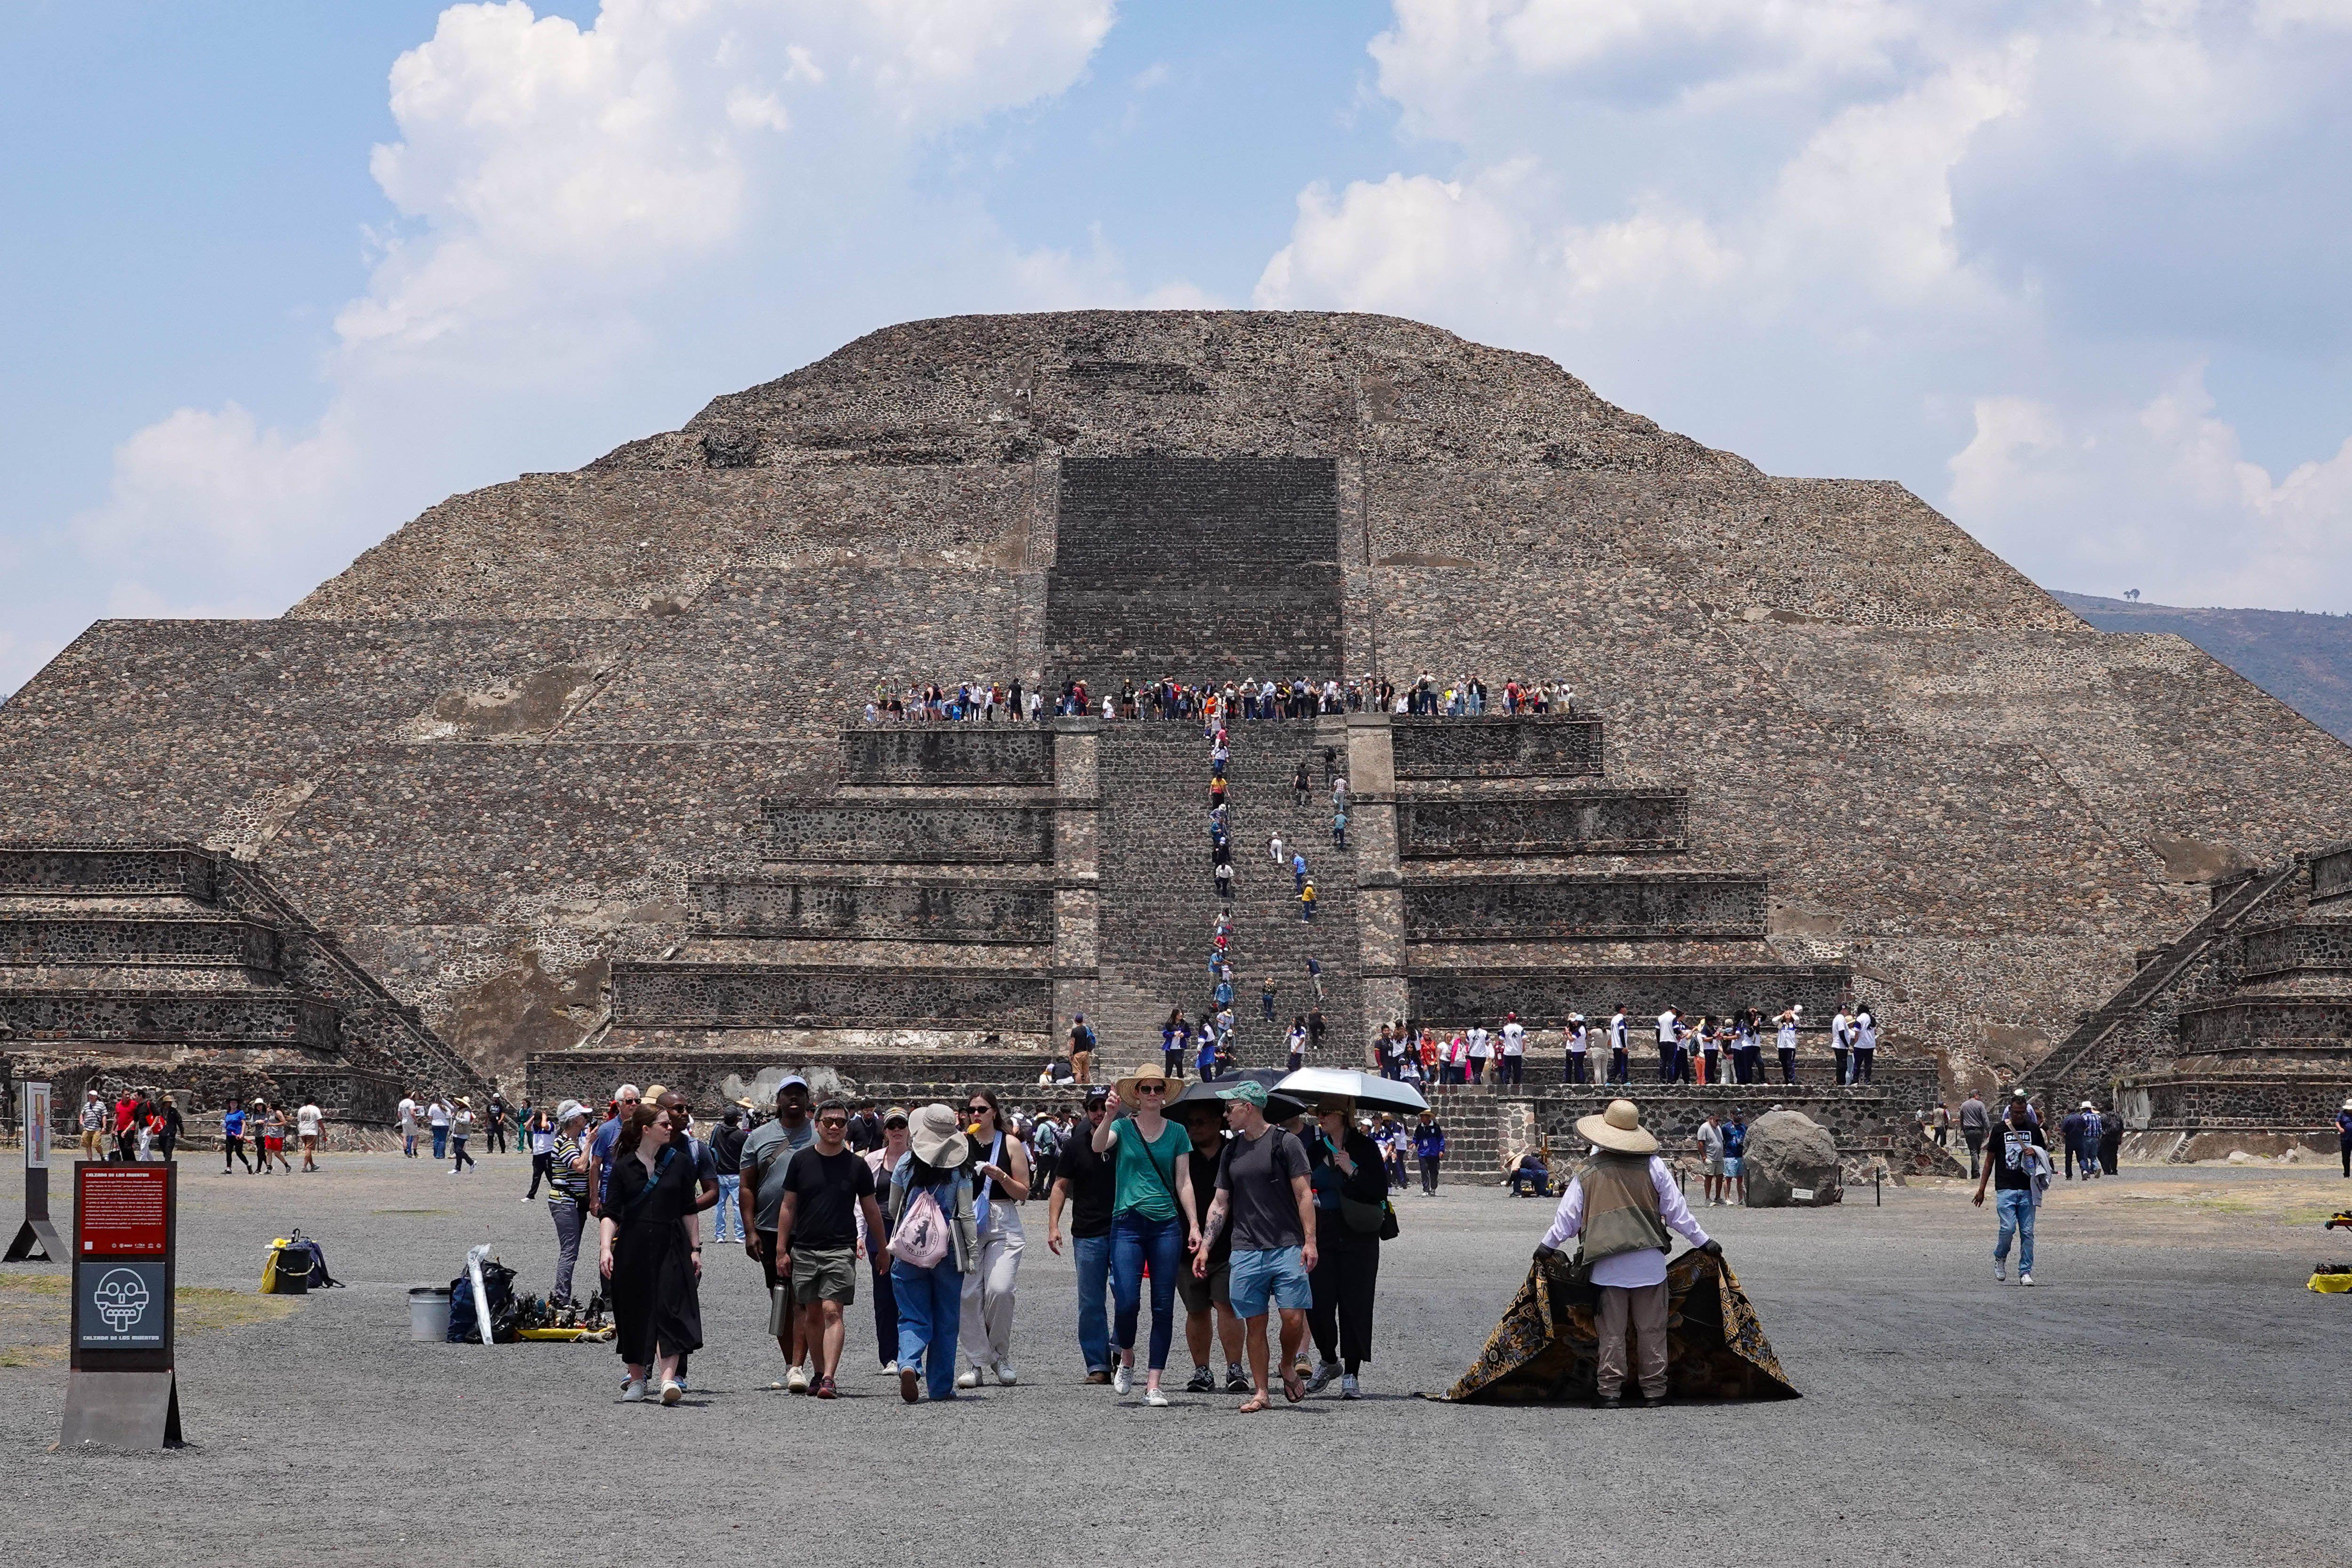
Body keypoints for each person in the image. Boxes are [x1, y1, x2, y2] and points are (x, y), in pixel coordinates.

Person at [1534, 1099, 1718, 1409]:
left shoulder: (1588, 1172)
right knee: (1653, 1331)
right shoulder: (1654, 1166)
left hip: (1607, 1267)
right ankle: (1654, 1392)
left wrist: (1547, 1246)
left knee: (1612, 1334)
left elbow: (1567, 1220)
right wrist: (1704, 1242)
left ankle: (1609, 1392)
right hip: (1649, 1264)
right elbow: (1677, 1213)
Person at [1198, 1081, 1317, 1411]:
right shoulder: (1231, 1151)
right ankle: (1262, 1392)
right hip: (1246, 1249)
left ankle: (1288, 1363)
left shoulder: (1286, 1143)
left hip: (1287, 1245)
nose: (1226, 1114)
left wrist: (1310, 1242)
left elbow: (1304, 1194)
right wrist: (1207, 1245)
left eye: (1230, 1108)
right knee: (1256, 1323)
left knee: (1293, 1318)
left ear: (1247, 1107)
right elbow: (1220, 1203)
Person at [1092, 1064, 1201, 1407]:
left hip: (1166, 1224)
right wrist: (1109, 1116)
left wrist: (1195, 1224)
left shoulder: (1178, 1132)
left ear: (1165, 1094)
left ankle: (1154, 1381)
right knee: (1126, 1300)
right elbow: (1098, 1147)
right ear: (1136, 1094)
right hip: (1127, 1223)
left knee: (1163, 1305)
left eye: (1158, 1089)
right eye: (1146, 1089)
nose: (1153, 1094)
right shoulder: (1123, 1127)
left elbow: (1184, 1181)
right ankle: (1126, 1355)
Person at [775, 1101, 892, 1401]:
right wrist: (781, 1249)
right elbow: (788, 1206)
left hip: (841, 1248)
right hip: (805, 1248)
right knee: (812, 1314)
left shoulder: (857, 1166)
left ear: (847, 1126)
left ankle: (829, 1376)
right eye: (828, 1122)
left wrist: (882, 1249)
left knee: (832, 1310)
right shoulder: (801, 1161)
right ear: (817, 1125)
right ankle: (816, 1372)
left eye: (840, 1122)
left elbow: (871, 1211)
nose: (834, 1127)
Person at [598, 1102, 704, 1404]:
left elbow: (689, 1210)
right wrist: (606, 1248)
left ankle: (668, 1380)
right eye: (664, 1124)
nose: (671, 1128)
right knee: (634, 1310)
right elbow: (610, 1213)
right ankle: (636, 1379)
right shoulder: (622, 1166)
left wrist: (695, 1249)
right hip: (632, 1246)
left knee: (671, 1308)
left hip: (672, 1244)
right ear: (646, 1130)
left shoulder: (681, 1163)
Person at [884, 1104, 980, 1402]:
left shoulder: (905, 1165)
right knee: (946, 1318)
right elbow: (966, 1215)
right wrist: (973, 1254)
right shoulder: (960, 1170)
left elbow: (892, 1208)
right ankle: (940, 1387)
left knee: (912, 1314)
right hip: (947, 1249)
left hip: (910, 1248)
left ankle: (909, 1363)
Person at [1302, 1095, 1387, 1398]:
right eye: (1318, 1112)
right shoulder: (1313, 1150)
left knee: (1356, 1302)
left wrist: (1352, 1169)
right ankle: (1328, 1358)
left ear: (1344, 1115)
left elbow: (1380, 1189)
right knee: (1318, 1302)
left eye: (1326, 1113)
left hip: (1358, 1234)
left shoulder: (1365, 1147)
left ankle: (1352, 1372)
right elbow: (1298, 1186)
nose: (1320, 1118)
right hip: (1322, 1231)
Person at [739, 1076, 817, 1391]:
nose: (794, 1099)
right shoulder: (759, 1137)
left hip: (813, 1229)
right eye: (788, 1094)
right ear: (779, 1100)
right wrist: (749, 1231)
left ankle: (799, 1366)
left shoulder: (820, 1132)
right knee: (781, 1297)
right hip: (770, 1229)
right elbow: (746, 1186)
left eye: (800, 1094)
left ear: (808, 1099)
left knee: (807, 1300)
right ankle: (792, 1364)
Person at [955, 1091, 1031, 1388]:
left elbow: (1024, 1192)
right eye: (971, 1109)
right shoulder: (960, 1144)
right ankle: (976, 1361)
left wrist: (1001, 1177)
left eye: (982, 1109)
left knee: (1000, 1290)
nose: (976, 1114)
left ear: (994, 1112)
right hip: (967, 1218)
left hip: (1003, 1218)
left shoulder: (1010, 1144)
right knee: (968, 1294)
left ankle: (999, 1355)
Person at [1171, 1094, 1245, 1394]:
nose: (1194, 1128)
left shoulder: (1235, 1154)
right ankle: (1202, 1370)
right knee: (1196, 1309)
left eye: (1201, 1122)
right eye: (1190, 1123)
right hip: (1185, 1247)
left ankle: (1234, 1368)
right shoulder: (1180, 1155)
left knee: (1227, 1306)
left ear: (1219, 1122)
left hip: (1229, 1245)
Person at [1047, 1087, 1118, 1383]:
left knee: (1126, 1296)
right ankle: (1098, 1364)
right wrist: (1053, 1225)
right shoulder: (1075, 1145)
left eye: (1103, 1106)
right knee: (1090, 1301)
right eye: (1093, 1108)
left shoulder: (1126, 1138)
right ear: (1086, 1110)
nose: (1099, 1112)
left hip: (1124, 1229)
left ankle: (1119, 1347)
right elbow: (1061, 1184)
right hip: (1088, 1232)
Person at [1974, 1093, 2050, 1285]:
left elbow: (2045, 1157)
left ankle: (2025, 1271)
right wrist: (1981, 1189)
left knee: (2027, 1232)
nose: (2019, 1116)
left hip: (2028, 1188)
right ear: (2010, 1111)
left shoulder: (2033, 1130)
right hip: (2005, 1188)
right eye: (2016, 1113)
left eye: (2023, 1113)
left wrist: (2036, 1151)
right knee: (2007, 1229)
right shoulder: (1999, 1130)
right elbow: (1989, 1161)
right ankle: (2000, 1256)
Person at [859, 1108, 912, 1376]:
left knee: (911, 1292)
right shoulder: (872, 1160)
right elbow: (862, 1201)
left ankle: (910, 1354)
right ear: (886, 1131)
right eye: (892, 1126)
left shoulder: (918, 1160)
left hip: (911, 1231)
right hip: (879, 1231)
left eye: (901, 1125)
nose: (897, 1130)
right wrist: (859, 1234)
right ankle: (889, 1356)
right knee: (884, 1294)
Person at [545, 1101, 592, 1305]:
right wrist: (590, 1143)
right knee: (569, 1250)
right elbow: (580, 1166)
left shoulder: (572, 1142)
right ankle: (561, 1296)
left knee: (572, 1249)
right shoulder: (565, 1143)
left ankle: (563, 1294)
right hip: (565, 1202)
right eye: (583, 1117)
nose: (587, 1120)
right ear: (575, 1120)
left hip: (573, 1202)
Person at [707, 1108, 747, 1244]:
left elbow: (710, 1148)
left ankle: (720, 1235)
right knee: (738, 1206)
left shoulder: (716, 1131)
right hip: (736, 1174)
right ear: (736, 1119)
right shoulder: (741, 1135)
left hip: (719, 1174)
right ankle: (740, 1235)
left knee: (719, 1207)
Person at [521, 1107, 555, 1201]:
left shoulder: (550, 1125)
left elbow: (545, 1126)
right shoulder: (535, 1127)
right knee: (536, 1176)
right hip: (537, 1155)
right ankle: (531, 1195)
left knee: (551, 1176)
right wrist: (533, 1117)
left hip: (547, 1154)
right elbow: (526, 1127)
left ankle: (558, 1193)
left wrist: (544, 1117)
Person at [1412, 1108, 1446, 1196]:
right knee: (1424, 1172)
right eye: (1421, 1116)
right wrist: (1414, 1143)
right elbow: (1416, 1138)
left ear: (1427, 1117)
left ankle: (1433, 1188)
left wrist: (1441, 1150)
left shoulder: (1436, 1127)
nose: (1421, 1118)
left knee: (1434, 1172)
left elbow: (1441, 1139)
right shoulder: (1420, 1128)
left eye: (1422, 1116)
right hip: (1423, 1153)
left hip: (1434, 1153)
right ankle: (1426, 1189)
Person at [1697, 1113, 1727, 1207]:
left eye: (1719, 1121)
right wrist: (1704, 1157)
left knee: (1720, 1177)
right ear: (1711, 1119)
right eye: (1716, 1121)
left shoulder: (1718, 1128)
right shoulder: (1704, 1128)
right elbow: (1700, 1143)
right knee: (1709, 1177)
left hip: (1719, 1157)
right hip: (1710, 1157)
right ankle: (1707, 1198)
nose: (1717, 1123)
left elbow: (1720, 1141)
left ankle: (1718, 1198)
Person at [1958, 1090, 1990, 1179]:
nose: (1979, 1097)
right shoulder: (1980, 1104)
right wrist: (1988, 1129)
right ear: (1975, 1095)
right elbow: (1985, 1118)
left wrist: (1963, 1130)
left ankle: (1974, 1172)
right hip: (1979, 1130)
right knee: (1977, 1151)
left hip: (1968, 1130)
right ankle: (1976, 1173)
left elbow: (1962, 1119)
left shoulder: (1963, 1105)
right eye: (1979, 1095)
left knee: (1973, 1152)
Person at [220, 1097, 251, 1174]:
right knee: (228, 1152)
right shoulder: (228, 1113)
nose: (233, 1104)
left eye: (235, 1103)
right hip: (229, 1135)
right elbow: (226, 1123)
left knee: (239, 1152)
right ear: (230, 1104)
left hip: (238, 1135)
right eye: (232, 1103)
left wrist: (242, 1134)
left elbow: (244, 1123)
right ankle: (228, 1168)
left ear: (237, 1105)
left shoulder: (240, 1113)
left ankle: (248, 1165)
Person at [1723, 1113, 1748, 1206]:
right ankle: (1727, 1198)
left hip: (1740, 1155)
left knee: (1740, 1178)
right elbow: (1723, 1140)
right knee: (1729, 1178)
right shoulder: (1726, 1127)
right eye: (1737, 1114)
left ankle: (1740, 1199)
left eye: (1740, 1114)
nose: (1739, 1116)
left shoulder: (1744, 1127)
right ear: (1732, 1115)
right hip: (1730, 1155)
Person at [447, 1097, 476, 1174]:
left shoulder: (467, 1112)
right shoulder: (460, 1111)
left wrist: (456, 1119)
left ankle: (471, 1162)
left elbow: (467, 1121)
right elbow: (450, 1106)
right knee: (457, 1151)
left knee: (458, 1150)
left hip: (463, 1133)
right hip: (457, 1133)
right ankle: (458, 1168)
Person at [295, 1097, 323, 1172]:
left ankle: (312, 1165)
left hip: (303, 1131)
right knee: (309, 1149)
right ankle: (304, 1167)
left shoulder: (301, 1110)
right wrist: (323, 1130)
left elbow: (299, 1120)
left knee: (308, 1148)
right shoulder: (315, 1109)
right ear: (313, 1102)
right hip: (311, 1131)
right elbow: (319, 1121)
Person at [79, 1089, 107, 1163]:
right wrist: (81, 1121)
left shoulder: (101, 1105)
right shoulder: (87, 1105)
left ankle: (102, 1155)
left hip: (96, 1128)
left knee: (96, 1144)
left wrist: (104, 1127)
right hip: (87, 1128)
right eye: (90, 1096)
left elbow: (104, 1116)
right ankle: (90, 1160)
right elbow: (82, 1113)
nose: (90, 1097)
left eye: (92, 1096)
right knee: (87, 1144)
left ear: (96, 1097)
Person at [1498, 1013, 1526, 1086]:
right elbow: (1524, 1038)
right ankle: (1516, 1084)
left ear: (1508, 1019)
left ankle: (1506, 1084)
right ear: (1516, 1019)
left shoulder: (1505, 1028)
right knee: (1517, 1070)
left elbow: (1501, 1040)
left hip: (1508, 1053)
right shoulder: (1520, 1028)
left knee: (1507, 1069)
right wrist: (1523, 1048)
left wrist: (1506, 1043)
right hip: (1518, 1052)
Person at [1069, 1014, 1097, 1085]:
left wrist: (1070, 1053)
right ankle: (1087, 1087)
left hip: (1077, 1054)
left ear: (1075, 1021)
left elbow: (1072, 1044)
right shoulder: (1086, 1029)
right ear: (1083, 1021)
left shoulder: (1074, 1031)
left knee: (1077, 1072)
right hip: (1085, 1053)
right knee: (1086, 1072)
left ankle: (1079, 1088)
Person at [1776, 1008, 1800, 1084]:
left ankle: (1791, 1081)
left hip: (1791, 1047)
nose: (1788, 1015)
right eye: (1787, 1014)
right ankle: (1787, 1080)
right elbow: (1774, 1020)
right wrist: (1782, 1015)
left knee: (1790, 1064)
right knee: (1784, 1064)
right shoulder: (1781, 1025)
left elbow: (1797, 1019)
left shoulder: (1793, 1025)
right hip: (1782, 1047)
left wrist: (1793, 1014)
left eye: (1789, 1014)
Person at [427, 1095, 452, 1162]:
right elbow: (449, 1116)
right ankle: (441, 1155)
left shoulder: (433, 1107)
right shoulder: (446, 1108)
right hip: (445, 1125)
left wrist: (434, 1119)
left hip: (435, 1124)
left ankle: (436, 1154)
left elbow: (430, 1116)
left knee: (436, 1139)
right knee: (443, 1140)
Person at [485, 1089, 510, 1156]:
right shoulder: (490, 1105)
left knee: (500, 1136)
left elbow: (503, 1114)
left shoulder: (501, 1106)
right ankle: (490, 1150)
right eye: (495, 1098)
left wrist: (500, 1120)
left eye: (497, 1098)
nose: (495, 1100)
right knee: (490, 1136)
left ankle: (503, 1149)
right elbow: (487, 1113)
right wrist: (486, 1121)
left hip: (498, 1123)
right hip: (491, 1122)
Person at [396, 1093, 420, 1159]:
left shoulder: (401, 1103)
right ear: (410, 1096)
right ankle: (415, 1152)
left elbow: (399, 1114)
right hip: (411, 1121)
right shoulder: (411, 1102)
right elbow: (412, 1112)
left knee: (405, 1137)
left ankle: (406, 1153)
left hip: (404, 1121)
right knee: (415, 1136)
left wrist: (402, 1120)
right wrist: (415, 1120)